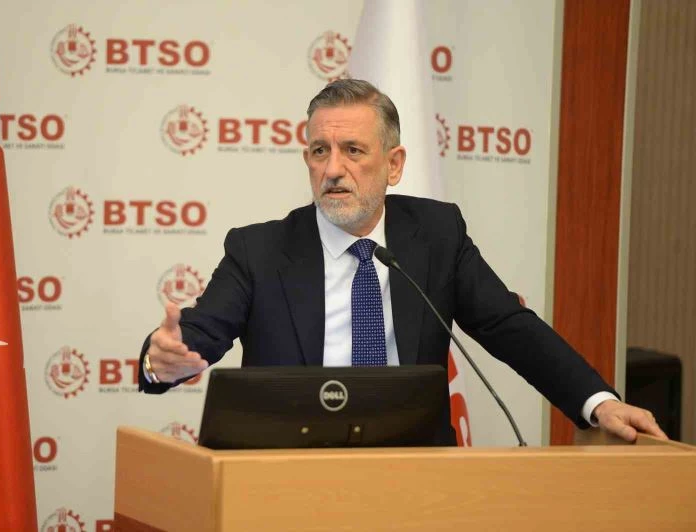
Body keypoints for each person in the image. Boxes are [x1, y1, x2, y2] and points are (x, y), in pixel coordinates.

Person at [139, 79, 665, 445]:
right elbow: (198, 335)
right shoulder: (259, 249)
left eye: (353, 150)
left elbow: (509, 327)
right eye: (319, 151)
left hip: (415, 467)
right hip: (287, 469)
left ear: (394, 165)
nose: (333, 169)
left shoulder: (435, 234)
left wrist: (597, 402)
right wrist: (163, 360)